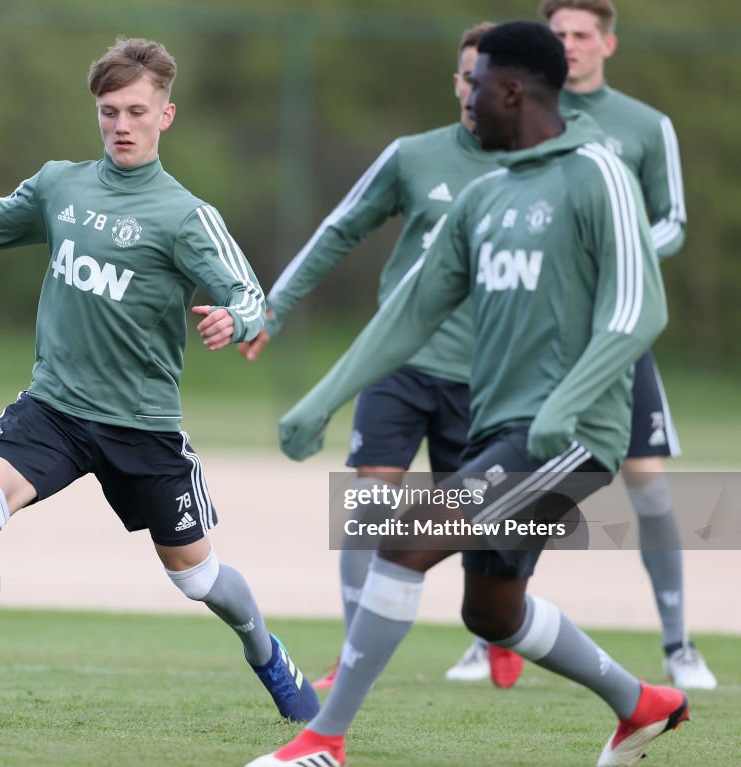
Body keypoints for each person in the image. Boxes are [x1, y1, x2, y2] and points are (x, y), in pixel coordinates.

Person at [0, 37, 319, 726]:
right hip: (54, 408)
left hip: (142, 425)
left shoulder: (185, 215)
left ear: (165, 116)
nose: (121, 124)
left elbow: (249, 296)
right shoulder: (61, 184)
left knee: (198, 577)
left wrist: (233, 323)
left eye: (136, 111)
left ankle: (268, 653)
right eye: (109, 110)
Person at [247, 22, 689, 767]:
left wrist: (566, 403)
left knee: (405, 534)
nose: (467, 98)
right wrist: (323, 398)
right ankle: (642, 704)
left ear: (511, 91)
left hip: (576, 435)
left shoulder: (598, 171)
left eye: (475, 83)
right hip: (506, 430)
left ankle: (323, 741)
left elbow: (638, 310)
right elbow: (409, 317)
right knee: (491, 611)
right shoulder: (484, 196)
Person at [239, 22, 524, 690]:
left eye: (486, 76)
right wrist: (274, 307)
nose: (472, 87)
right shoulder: (414, 157)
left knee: (484, 524)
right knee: (365, 507)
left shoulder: (535, 171)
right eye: (465, 74)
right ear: (457, 82)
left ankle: (498, 632)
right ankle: (355, 653)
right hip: (396, 365)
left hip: (487, 381)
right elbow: (339, 230)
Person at [536, 0, 716, 692]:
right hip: (539, 336)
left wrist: (623, 260)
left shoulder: (646, 125)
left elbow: (671, 218)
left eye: (583, 35)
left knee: (645, 481)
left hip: (616, 331)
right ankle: (491, 631)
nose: (571, 46)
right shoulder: (525, 114)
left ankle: (679, 644)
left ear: (607, 42)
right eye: (559, 35)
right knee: (516, 476)